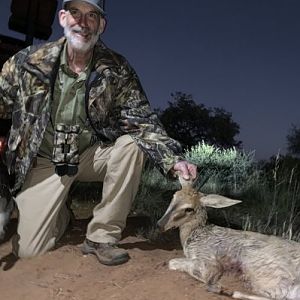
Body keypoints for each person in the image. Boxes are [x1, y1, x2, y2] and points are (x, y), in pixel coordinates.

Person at [0, 0, 197, 266]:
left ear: (101, 25)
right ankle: (62, 216)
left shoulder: (116, 67)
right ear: (62, 18)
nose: (83, 22)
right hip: (45, 161)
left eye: (92, 15)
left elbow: (142, 120)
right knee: (29, 251)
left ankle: (101, 237)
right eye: (75, 13)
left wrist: (174, 159)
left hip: (91, 155)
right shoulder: (27, 61)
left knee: (133, 145)